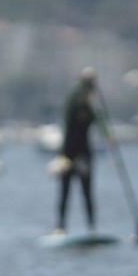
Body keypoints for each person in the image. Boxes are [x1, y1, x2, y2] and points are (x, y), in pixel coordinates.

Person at [54, 67, 100, 234]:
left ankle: (91, 228)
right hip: (68, 155)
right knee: (65, 192)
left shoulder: (90, 110)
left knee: (87, 193)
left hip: (85, 156)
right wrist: (84, 81)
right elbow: (71, 100)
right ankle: (60, 226)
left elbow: (100, 121)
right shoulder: (72, 105)